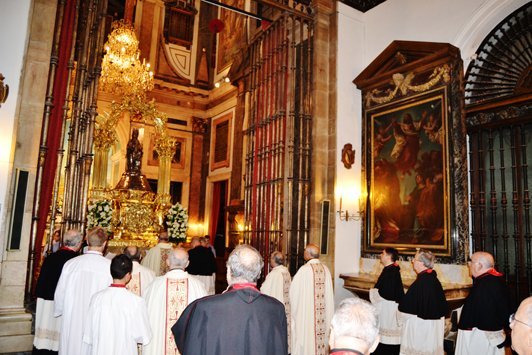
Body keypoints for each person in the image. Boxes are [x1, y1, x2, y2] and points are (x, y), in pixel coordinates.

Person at [172, 244, 288, 355]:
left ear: (228, 271)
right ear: (258, 273)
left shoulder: (205, 308)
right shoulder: (276, 308)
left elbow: (188, 342)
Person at [54, 227, 112, 355]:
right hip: (96, 319)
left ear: (86, 241)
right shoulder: (109, 267)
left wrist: (60, 310)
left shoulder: (71, 264)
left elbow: (60, 294)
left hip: (73, 316)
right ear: (104, 243)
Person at [82, 254, 151, 354]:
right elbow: (143, 336)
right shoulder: (136, 302)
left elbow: (89, 335)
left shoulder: (96, 299)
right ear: (128, 275)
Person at [143, 247, 207, 355]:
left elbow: (144, 315)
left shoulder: (154, 286)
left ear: (167, 262)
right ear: (187, 264)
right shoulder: (198, 286)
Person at [33, 230, 83, 353]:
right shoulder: (76, 261)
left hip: (46, 300)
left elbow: (41, 280)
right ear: (78, 244)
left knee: (44, 335)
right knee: (58, 338)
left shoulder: (51, 257)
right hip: (61, 303)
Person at [455, 251, 511, 354]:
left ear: (479, 265)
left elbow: (481, 315)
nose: (469, 265)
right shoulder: (495, 279)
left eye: (471, 262)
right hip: (491, 333)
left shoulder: (485, 284)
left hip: (480, 337)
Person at [397, 249, 448, 355]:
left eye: (414, 259)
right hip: (430, 328)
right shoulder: (432, 278)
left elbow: (406, 309)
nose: (412, 261)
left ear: (421, 263)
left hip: (420, 330)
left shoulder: (423, 281)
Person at [290, 243, 334, 355]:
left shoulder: (304, 270)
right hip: (322, 319)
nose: (304, 252)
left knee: (307, 340)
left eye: (305, 251)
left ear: (308, 254)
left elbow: (293, 293)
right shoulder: (326, 270)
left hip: (307, 317)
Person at [369, 247, 404, 355]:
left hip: (388, 309)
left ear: (389, 256)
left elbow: (387, 293)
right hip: (386, 307)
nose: (381, 255)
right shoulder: (389, 269)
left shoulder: (391, 271)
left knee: (387, 337)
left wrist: (374, 292)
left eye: (383, 253)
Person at [260, 251, 292, 353]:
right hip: (286, 307)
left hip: (276, 309)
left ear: (274, 261)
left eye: (270, 259)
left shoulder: (274, 274)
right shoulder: (286, 272)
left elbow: (264, 290)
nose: (270, 261)